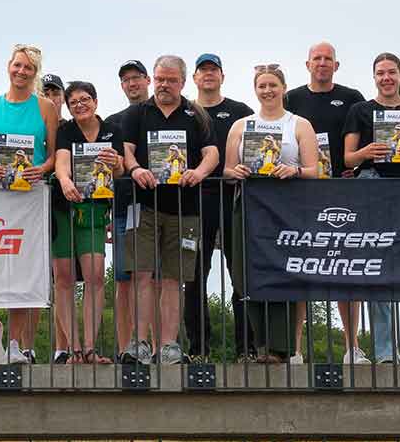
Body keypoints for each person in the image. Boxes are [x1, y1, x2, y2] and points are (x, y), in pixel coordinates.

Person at [120, 55, 218, 365]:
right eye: (160, 79)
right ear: (153, 79)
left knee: (176, 279)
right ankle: (139, 344)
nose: (164, 85)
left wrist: (199, 172)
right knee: (141, 275)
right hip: (143, 205)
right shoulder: (137, 113)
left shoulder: (196, 113)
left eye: (171, 80)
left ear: (183, 82)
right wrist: (135, 169)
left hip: (185, 209)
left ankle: (168, 346)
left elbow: (212, 153)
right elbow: (126, 151)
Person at [343, 52, 400, 364]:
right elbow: (348, 158)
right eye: (381, 73)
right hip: (370, 187)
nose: (386, 78)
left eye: (391, 72)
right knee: (375, 264)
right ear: (374, 77)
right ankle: (384, 351)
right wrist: (366, 152)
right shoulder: (360, 110)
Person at [222, 65, 319, 361]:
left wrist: (294, 170)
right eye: (262, 86)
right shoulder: (241, 126)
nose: (267, 91)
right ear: (255, 90)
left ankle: (281, 347)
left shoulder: (299, 124)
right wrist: (235, 172)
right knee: (246, 273)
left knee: (282, 272)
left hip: (286, 208)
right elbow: (226, 171)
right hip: (249, 206)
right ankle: (260, 344)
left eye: (273, 85)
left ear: (283, 88)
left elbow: (314, 170)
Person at [284, 41, 368, 363]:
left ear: (336, 65)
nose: (322, 63)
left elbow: (365, 141)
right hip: (301, 192)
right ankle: (294, 349)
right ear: (307, 64)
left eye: (327, 59)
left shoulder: (352, 98)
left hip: (342, 191)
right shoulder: (292, 98)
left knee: (344, 267)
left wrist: (354, 168)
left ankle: (352, 347)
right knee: (301, 268)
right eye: (316, 58)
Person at [0, 44, 59, 365]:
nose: (22, 71)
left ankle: (15, 343)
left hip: (30, 200)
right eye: (18, 65)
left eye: (29, 68)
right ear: (8, 66)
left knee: (23, 272)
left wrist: (43, 168)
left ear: (35, 73)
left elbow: (53, 155)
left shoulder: (46, 107)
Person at [184, 54, 252, 360]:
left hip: (234, 198)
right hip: (196, 200)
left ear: (222, 76)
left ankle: (247, 348)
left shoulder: (241, 112)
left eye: (214, 70)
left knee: (241, 274)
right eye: (203, 70)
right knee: (194, 275)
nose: (208, 74)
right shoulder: (185, 111)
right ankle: (198, 349)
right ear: (194, 78)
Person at [52, 81, 123, 363]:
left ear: (95, 101)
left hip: (95, 208)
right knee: (64, 278)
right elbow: (61, 162)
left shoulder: (112, 130)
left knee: (95, 276)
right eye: (74, 102)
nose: (80, 105)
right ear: (69, 108)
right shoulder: (66, 130)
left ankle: (91, 347)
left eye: (85, 99)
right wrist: (65, 180)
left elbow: (120, 171)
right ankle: (73, 348)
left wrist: (116, 163)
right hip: (64, 207)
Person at [108, 60, 153, 357]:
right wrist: (109, 211)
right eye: (126, 79)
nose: (132, 83)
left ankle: (159, 347)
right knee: (124, 282)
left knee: (160, 281)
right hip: (125, 208)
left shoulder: (165, 114)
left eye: (137, 77)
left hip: (164, 208)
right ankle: (126, 349)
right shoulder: (113, 122)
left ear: (148, 80)